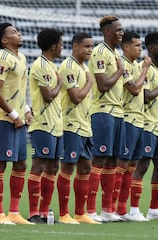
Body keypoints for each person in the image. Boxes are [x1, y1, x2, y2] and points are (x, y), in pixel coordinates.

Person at [0, 22, 33, 225]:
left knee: (21, 163)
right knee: (1, 163)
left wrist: (25, 111)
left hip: (18, 117)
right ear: (5, 40)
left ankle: (14, 212)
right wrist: (14, 115)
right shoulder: (3, 58)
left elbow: (18, 90)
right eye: (14, 32)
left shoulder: (22, 58)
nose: (19, 33)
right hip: (4, 119)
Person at [57, 32, 100, 224]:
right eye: (86, 46)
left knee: (85, 167)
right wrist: (90, 82)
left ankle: (80, 213)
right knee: (68, 166)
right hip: (70, 125)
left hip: (85, 125)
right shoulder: (68, 66)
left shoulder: (83, 67)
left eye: (91, 46)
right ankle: (64, 213)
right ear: (75, 46)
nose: (90, 50)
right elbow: (75, 96)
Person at [86, 15, 125, 222]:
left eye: (122, 30)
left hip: (117, 112)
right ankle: (91, 210)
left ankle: (108, 209)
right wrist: (119, 71)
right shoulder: (99, 53)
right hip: (103, 111)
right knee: (99, 159)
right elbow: (102, 85)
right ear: (107, 32)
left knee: (113, 161)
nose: (121, 33)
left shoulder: (114, 52)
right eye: (118, 30)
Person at [129, 32, 158, 221]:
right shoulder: (141, 68)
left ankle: (154, 209)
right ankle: (133, 209)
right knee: (142, 165)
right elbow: (144, 96)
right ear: (151, 47)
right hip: (147, 124)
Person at [110, 31, 151, 220]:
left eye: (141, 46)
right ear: (126, 47)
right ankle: (112, 208)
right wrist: (145, 70)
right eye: (137, 46)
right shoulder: (123, 64)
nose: (140, 49)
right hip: (127, 119)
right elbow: (134, 90)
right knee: (122, 164)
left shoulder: (134, 64)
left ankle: (123, 210)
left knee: (132, 166)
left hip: (139, 120)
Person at [27, 28, 64, 224]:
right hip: (43, 123)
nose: (62, 47)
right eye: (61, 43)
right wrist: (60, 83)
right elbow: (48, 95)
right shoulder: (40, 65)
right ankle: (33, 212)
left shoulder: (51, 65)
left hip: (56, 124)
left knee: (53, 166)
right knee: (39, 165)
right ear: (53, 46)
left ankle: (44, 212)